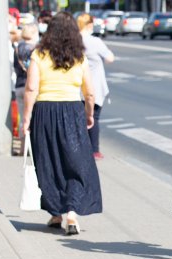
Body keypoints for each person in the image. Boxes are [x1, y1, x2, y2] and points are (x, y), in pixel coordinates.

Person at [21, 12, 101, 235]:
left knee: (48, 162)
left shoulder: (39, 54)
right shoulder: (79, 57)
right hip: (72, 111)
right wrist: (89, 114)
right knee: (76, 163)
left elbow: (31, 89)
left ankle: (56, 213)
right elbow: (90, 92)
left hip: (45, 112)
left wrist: (26, 118)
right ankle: (72, 213)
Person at [77, 12, 114, 160]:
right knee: (94, 117)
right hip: (95, 85)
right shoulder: (95, 41)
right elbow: (110, 57)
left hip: (78, 85)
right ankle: (94, 150)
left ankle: (80, 148)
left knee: (79, 118)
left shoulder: (73, 41)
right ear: (89, 25)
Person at [13, 23, 39, 150]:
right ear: (33, 33)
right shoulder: (35, 50)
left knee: (23, 117)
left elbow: (15, 67)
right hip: (32, 87)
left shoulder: (17, 48)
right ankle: (33, 147)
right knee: (33, 118)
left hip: (19, 86)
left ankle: (22, 147)